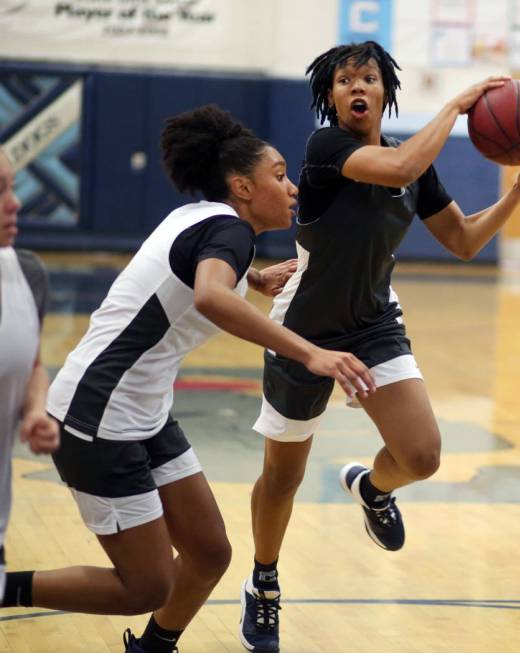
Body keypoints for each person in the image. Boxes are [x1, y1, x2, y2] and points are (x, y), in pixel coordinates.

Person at [0, 105, 375, 653]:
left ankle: (151, 648)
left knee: (209, 553)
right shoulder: (230, 232)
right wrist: (311, 353)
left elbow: (190, 269)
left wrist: (253, 279)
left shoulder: (199, 218)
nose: (292, 188)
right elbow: (208, 294)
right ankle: (6, 589)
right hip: (96, 419)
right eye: (278, 175)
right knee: (145, 584)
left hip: (139, 412)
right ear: (242, 187)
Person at [240, 41, 520, 653]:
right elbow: (400, 167)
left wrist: (518, 191)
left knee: (423, 454)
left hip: (374, 322)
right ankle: (265, 583)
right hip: (302, 329)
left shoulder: (415, 163)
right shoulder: (326, 149)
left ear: (385, 90)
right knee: (283, 477)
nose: (356, 87)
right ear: (330, 97)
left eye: (368, 77)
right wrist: (460, 102)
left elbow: (462, 239)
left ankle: (373, 487)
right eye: (343, 80)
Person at [0, 148, 60, 607]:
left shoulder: (26, 273)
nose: (14, 202)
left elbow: (33, 363)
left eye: (12, 186)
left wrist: (35, 409)